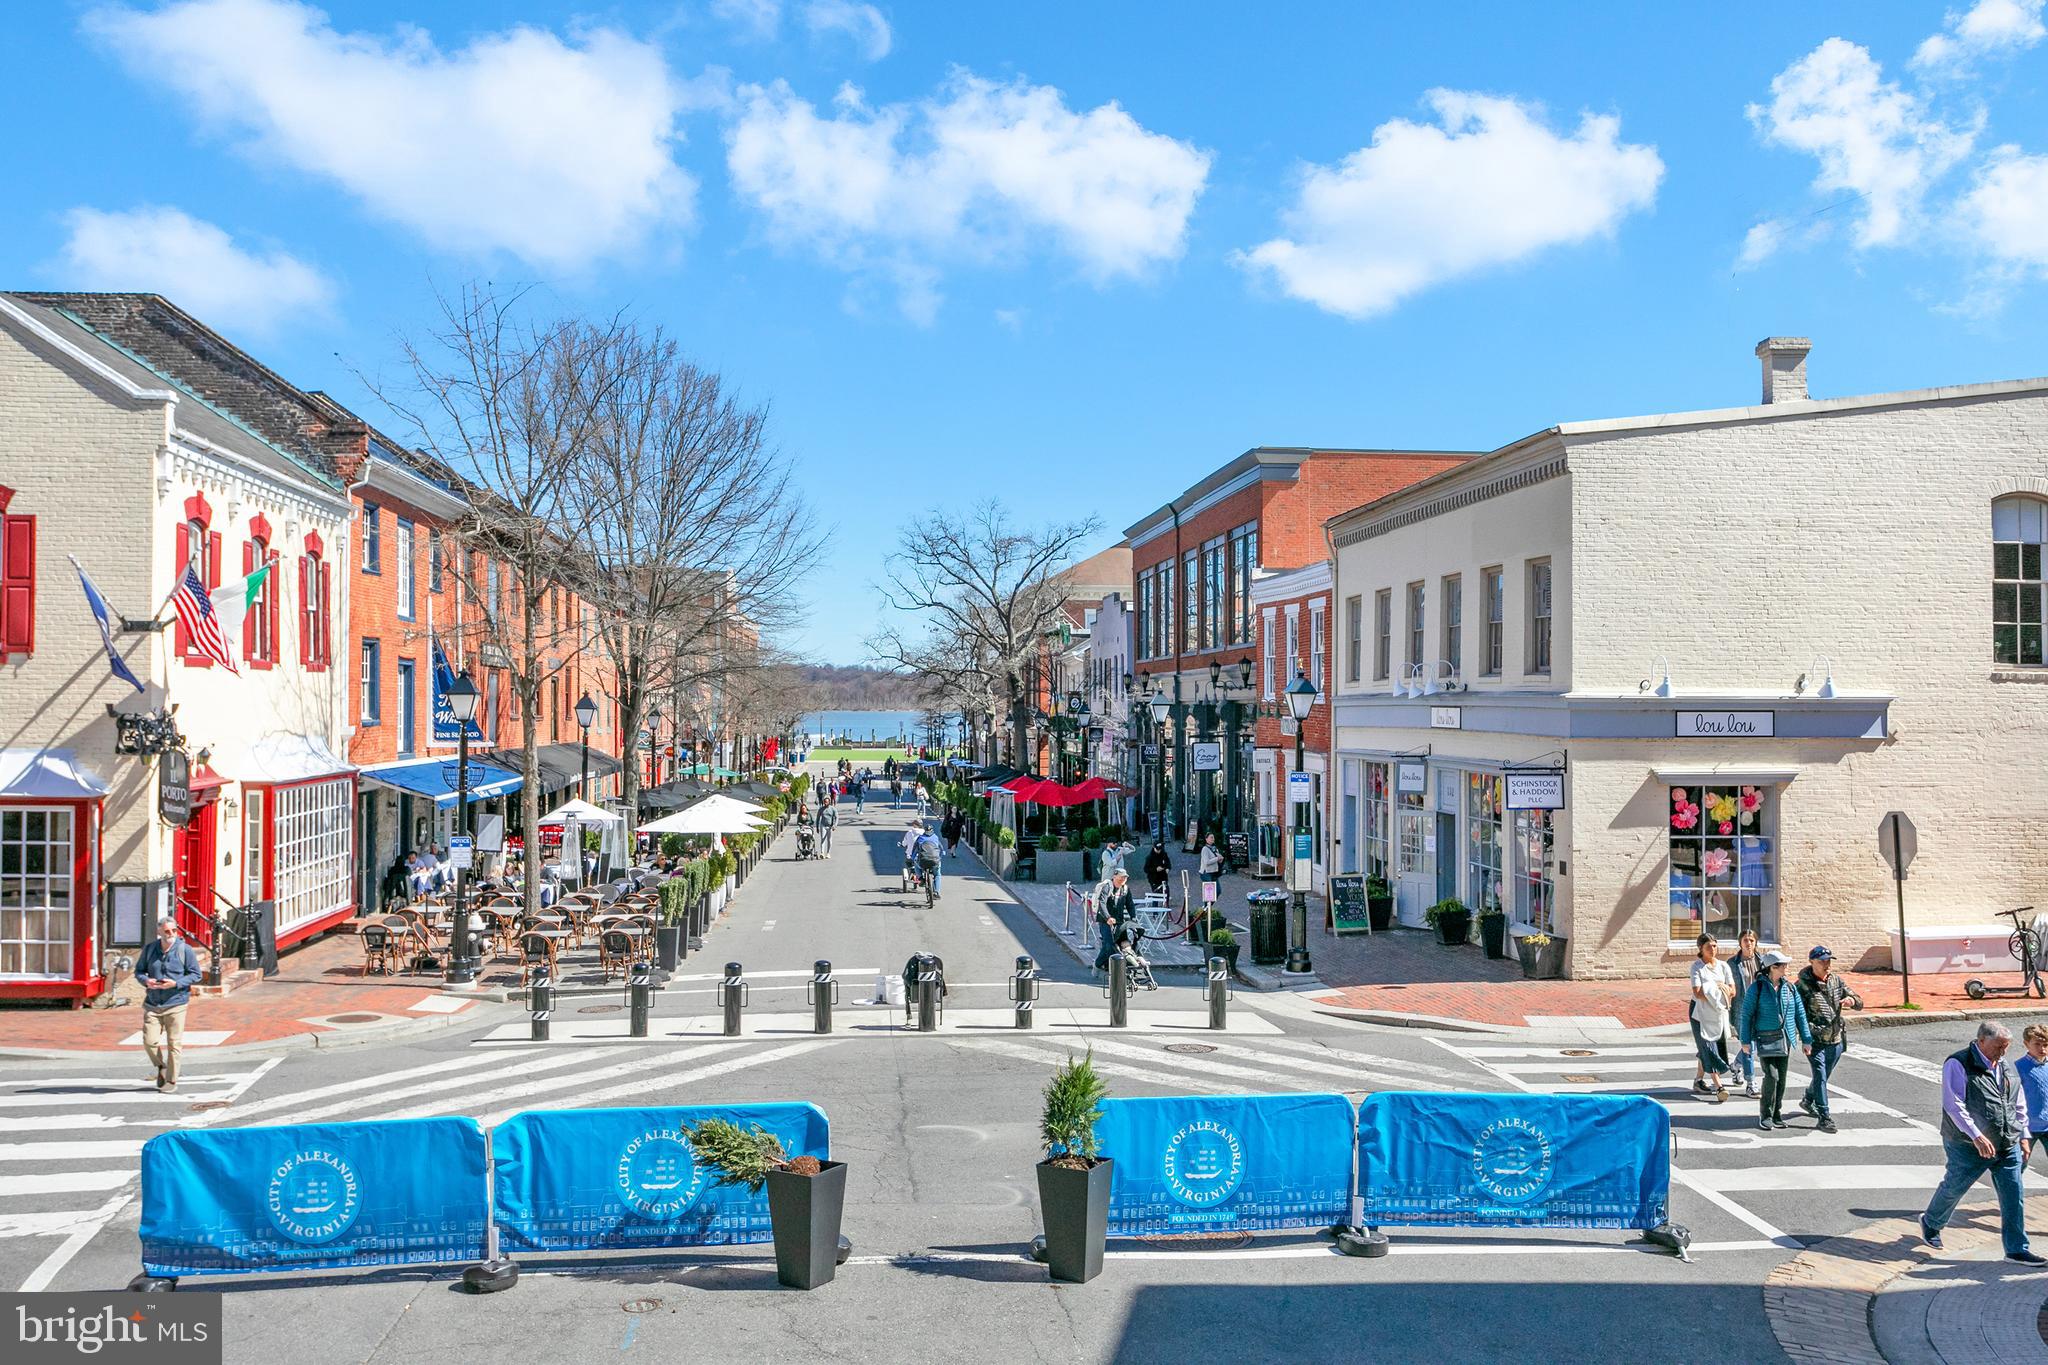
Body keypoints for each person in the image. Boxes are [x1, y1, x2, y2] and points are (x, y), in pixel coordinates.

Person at [1922, 1021, 2042, 1262]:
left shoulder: (2004, 1065)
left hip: (2006, 1143)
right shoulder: (1958, 1063)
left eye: (2006, 1047)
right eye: (1999, 1046)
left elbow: (2018, 1102)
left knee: (2013, 1194)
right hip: (1967, 1145)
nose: (2003, 1052)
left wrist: (2024, 1136)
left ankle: (2016, 1248)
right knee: (1955, 1186)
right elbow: (1954, 1105)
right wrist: (1976, 1135)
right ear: (1981, 1041)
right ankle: (1931, 1222)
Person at [1738, 950, 1811, 1131]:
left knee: (1782, 1078)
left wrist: (1806, 1039)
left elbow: (1800, 1014)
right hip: (1766, 1038)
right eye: (1783, 964)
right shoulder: (1757, 988)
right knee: (1772, 1076)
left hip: (1785, 1039)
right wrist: (1745, 1040)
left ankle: (1777, 1113)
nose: (1786, 967)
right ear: (1773, 967)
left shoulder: (1789, 988)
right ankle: (1766, 1114)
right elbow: (1746, 1015)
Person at [1795, 945, 1861, 1134]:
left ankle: (1808, 1099)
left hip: (1836, 1039)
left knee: (1823, 1076)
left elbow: (1858, 999)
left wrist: (1852, 1001)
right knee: (1820, 1076)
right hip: (1816, 1041)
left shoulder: (1836, 981)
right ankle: (1825, 1117)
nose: (1826, 965)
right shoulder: (1802, 986)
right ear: (1812, 962)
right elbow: (1797, 1015)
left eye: (1828, 961)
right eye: (1822, 961)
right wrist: (1808, 1034)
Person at [136, 917, 204, 1093]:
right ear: (159, 932)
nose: (171, 934)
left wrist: (176, 983)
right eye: (167, 931)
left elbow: (196, 975)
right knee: (149, 1042)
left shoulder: (184, 950)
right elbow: (139, 971)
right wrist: (146, 981)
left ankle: (171, 1081)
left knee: (174, 1043)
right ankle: (161, 1067)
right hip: (153, 1003)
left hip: (176, 1003)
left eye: (174, 931)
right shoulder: (150, 949)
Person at [1689, 932, 1735, 1104]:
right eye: (1708, 946)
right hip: (1700, 1012)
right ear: (1701, 948)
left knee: (1713, 1043)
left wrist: (1719, 990)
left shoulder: (1723, 966)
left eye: (1715, 945)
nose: (1713, 949)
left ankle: (1699, 1081)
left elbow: (1732, 990)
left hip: (1718, 1011)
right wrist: (1717, 987)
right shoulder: (1697, 967)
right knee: (1707, 1045)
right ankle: (1719, 1086)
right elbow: (1698, 992)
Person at [1728, 930, 1764, 1098]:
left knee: (1755, 1043)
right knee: (1748, 1045)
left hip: (1761, 1008)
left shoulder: (1763, 962)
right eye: (1745, 940)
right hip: (1742, 1008)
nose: (1748, 943)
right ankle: (1751, 1083)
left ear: (1756, 942)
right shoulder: (1732, 963)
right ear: (1740, 942)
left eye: (1751, 940)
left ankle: (1735, 1065)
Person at [2020, 1025, 2048, 1170]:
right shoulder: (2019, 1067)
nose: (2042, 1049)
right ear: (2026, 1044)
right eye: (2037, 1044)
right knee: (2019, 1165)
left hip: (2047, 1124)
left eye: (2045, 1045)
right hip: (2027, 1126)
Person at [1095, 868, 1134, 972]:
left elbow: (1130, 904)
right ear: (1114, 877)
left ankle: (1109, 966)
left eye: (1125, 877)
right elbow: (1101, 903)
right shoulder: (1107, 887)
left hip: (1119, 921)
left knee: (1124, 943)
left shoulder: (1125, 889)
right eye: (1121, 877)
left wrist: (1133, 917)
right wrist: (1108, 917)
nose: (1123, 879)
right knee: (1109, 944)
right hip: (1105, 921)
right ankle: (1101, 965)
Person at [913, 826, 945, 898]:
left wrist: (913, 857)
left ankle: (921, 879)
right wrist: (941, 855)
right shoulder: (935, 837)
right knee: (937, 875)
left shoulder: (920, 838)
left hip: (923, 860)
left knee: (916, 865)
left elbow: (915, 849)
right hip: (935, 861)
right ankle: (936, 892)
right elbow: (941, 849)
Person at [1198, 833, 1224, 912]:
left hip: (1214, 872)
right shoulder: (1205, 849)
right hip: (1206, 873)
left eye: (1213, 838)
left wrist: (1220, 860)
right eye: (1211, 838)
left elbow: (1218, 860)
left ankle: (1208, 906)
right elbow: (1206, 862)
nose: (1213, 839)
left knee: (1218, 890)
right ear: (1206, 839)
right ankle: (1206, 907)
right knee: (1209, 891)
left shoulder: (1215, 848)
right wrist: (1217, 858)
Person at [900, 819, 925, 890]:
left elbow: (904, 843)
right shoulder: (924, 833)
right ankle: (921, 877)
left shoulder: (909, 832)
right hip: (922, 855)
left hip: (910, 855)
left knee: (909, 864)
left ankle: (913, 875)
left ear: (914, 825)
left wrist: (902, 844)